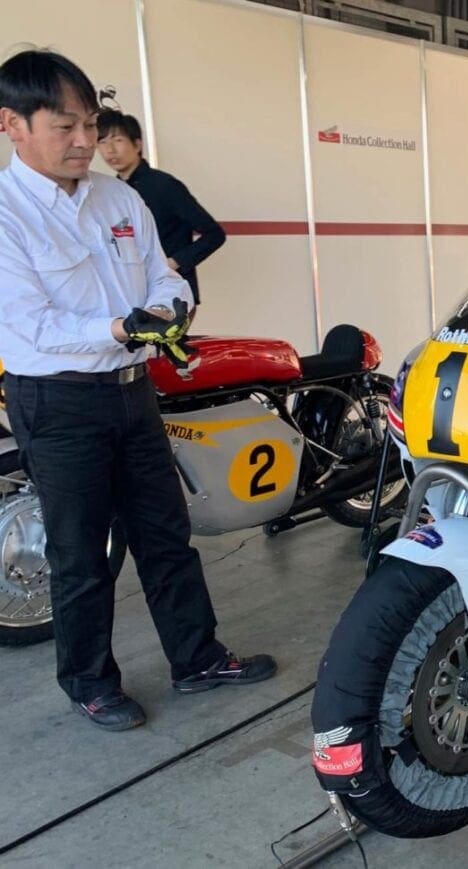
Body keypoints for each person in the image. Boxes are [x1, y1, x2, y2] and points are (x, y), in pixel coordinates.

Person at [0, 50, 275, 732]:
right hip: (56, 400)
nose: (86, 141)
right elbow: (31, 323)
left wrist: (171, 306)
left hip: (130, 390)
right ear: (13, 125)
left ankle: (197, 658)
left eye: (91, 123)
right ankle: (90, 681)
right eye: (65, 126)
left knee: (165, 534)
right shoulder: (7, 216)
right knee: (81, 551)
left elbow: (165, 274)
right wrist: (124, 325)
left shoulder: (120, 198)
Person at [97, 110, 225, 305]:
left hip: (173, 293)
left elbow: (214, 234)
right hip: (133, 295)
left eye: (117, 140)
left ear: (137, 144)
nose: (110, 150)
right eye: (102, 142)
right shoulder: (112, 192)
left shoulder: (165, 185)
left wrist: (172, 263)